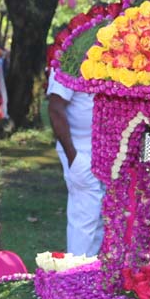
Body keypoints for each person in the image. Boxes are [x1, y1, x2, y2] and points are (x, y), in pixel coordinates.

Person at [47, 72, 104, 256]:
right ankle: (75, 276)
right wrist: (73, 156)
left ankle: (90, 277)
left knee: (100, 223)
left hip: (105, 155)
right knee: (85, 218)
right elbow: (55, 108)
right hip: (80, 153)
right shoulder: (69, 58)